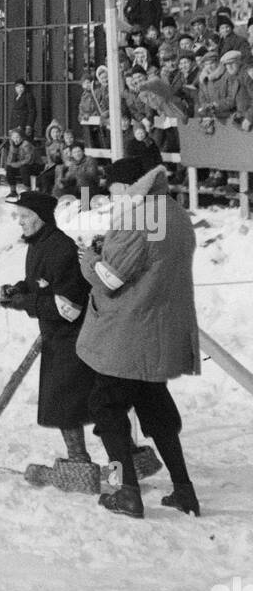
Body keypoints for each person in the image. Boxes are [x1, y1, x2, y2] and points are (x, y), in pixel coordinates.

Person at [75, 159, 200, 519]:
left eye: (113, 189)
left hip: (128, 335)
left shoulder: (138, 217)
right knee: (156, 412)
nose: (109, 197)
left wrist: (89, 257)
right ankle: (184, 490)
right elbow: (150, 260)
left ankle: (123, 490)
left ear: (127, 186)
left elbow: (109, 279)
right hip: (160, 331)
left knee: (107, 412)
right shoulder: (173, 212)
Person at [0, 191, 96, 475]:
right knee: (74, 400)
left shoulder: (61, 248)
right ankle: (107, 458)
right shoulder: (39, 244)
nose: (20, 222)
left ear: (41, 218)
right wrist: (19, 289)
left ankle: (86, 462)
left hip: (75, 336)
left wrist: (25, 302)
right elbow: (42, 284)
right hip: (58, 336)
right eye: (19, 216)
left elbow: (68, 306)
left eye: (25, 217)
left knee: (74, 401)